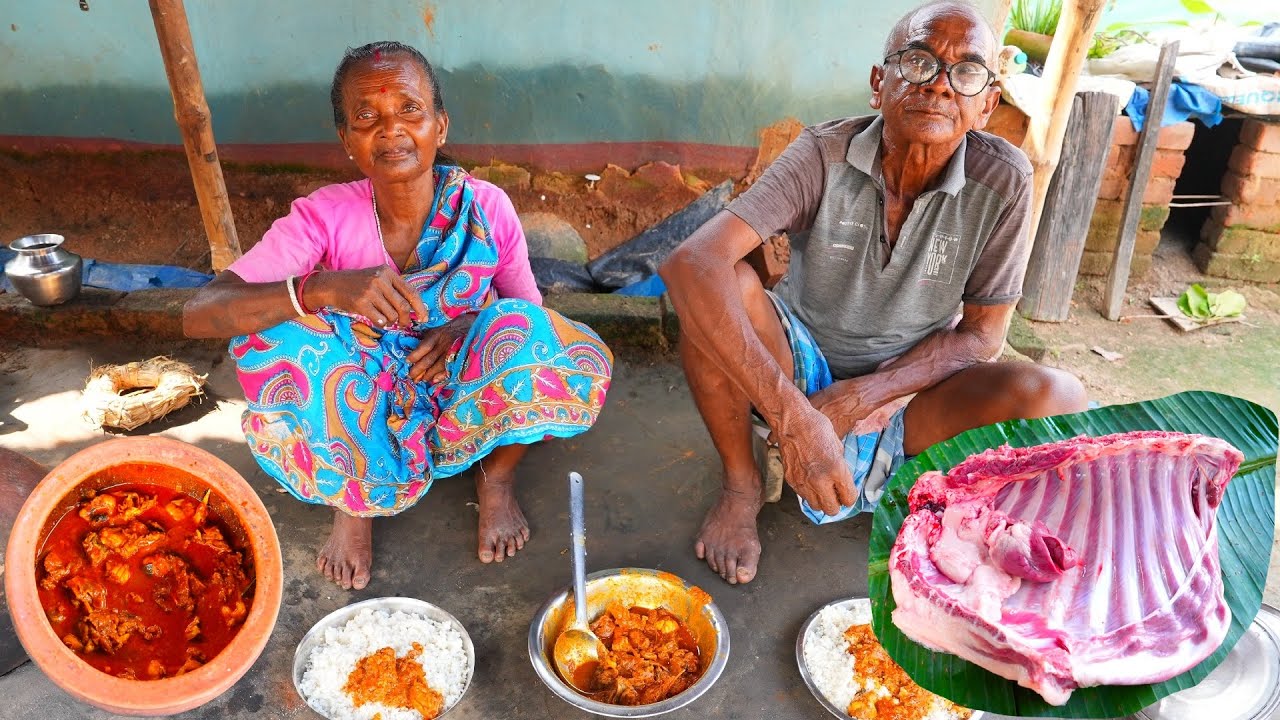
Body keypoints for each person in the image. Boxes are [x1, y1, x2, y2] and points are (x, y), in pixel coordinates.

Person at [659, 1, 1088, 586]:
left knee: (1056, 395)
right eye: (918, 62)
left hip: (915, 382)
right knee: (717, 290)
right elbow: (691, 263)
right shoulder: (823, 152)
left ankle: (937, 500)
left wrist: (862, 397)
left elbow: (984, 335)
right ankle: (741, 484)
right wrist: (795, 417)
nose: (938, 86)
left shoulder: (1004, 178)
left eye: (966, 73)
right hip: (799, 358)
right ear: (878, 83)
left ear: (987, 104)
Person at [183, 41, 614, 590]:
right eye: (367, 116)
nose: (391, 129)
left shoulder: (484, 208)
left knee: (528, 331)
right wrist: (321, 288)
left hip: (456, 383)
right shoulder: (323, 217)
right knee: (276, 332)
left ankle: (496, 478)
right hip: (359, 394)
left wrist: (472, 324)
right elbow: (202, 312)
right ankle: (354, 501)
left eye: (410, 109)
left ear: (440, 124)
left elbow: (528, 314)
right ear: (346, 140)